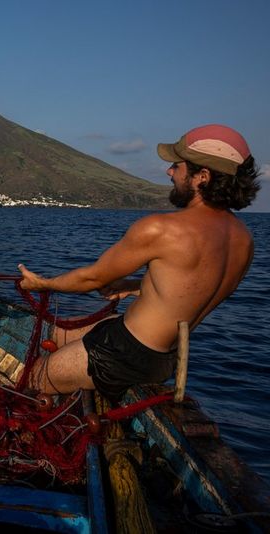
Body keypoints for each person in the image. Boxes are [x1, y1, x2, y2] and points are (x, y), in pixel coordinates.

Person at [18, 124, 260, 402]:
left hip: (123, 354)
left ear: (201, 177)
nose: (169, 172)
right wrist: (135, 286)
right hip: (167, 357)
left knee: (32, 376)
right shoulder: (244, 241)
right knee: (56, 333)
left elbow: (92, 279)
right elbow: (190, 290)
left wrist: (42, 283)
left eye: (177, 166)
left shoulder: (161, 228)